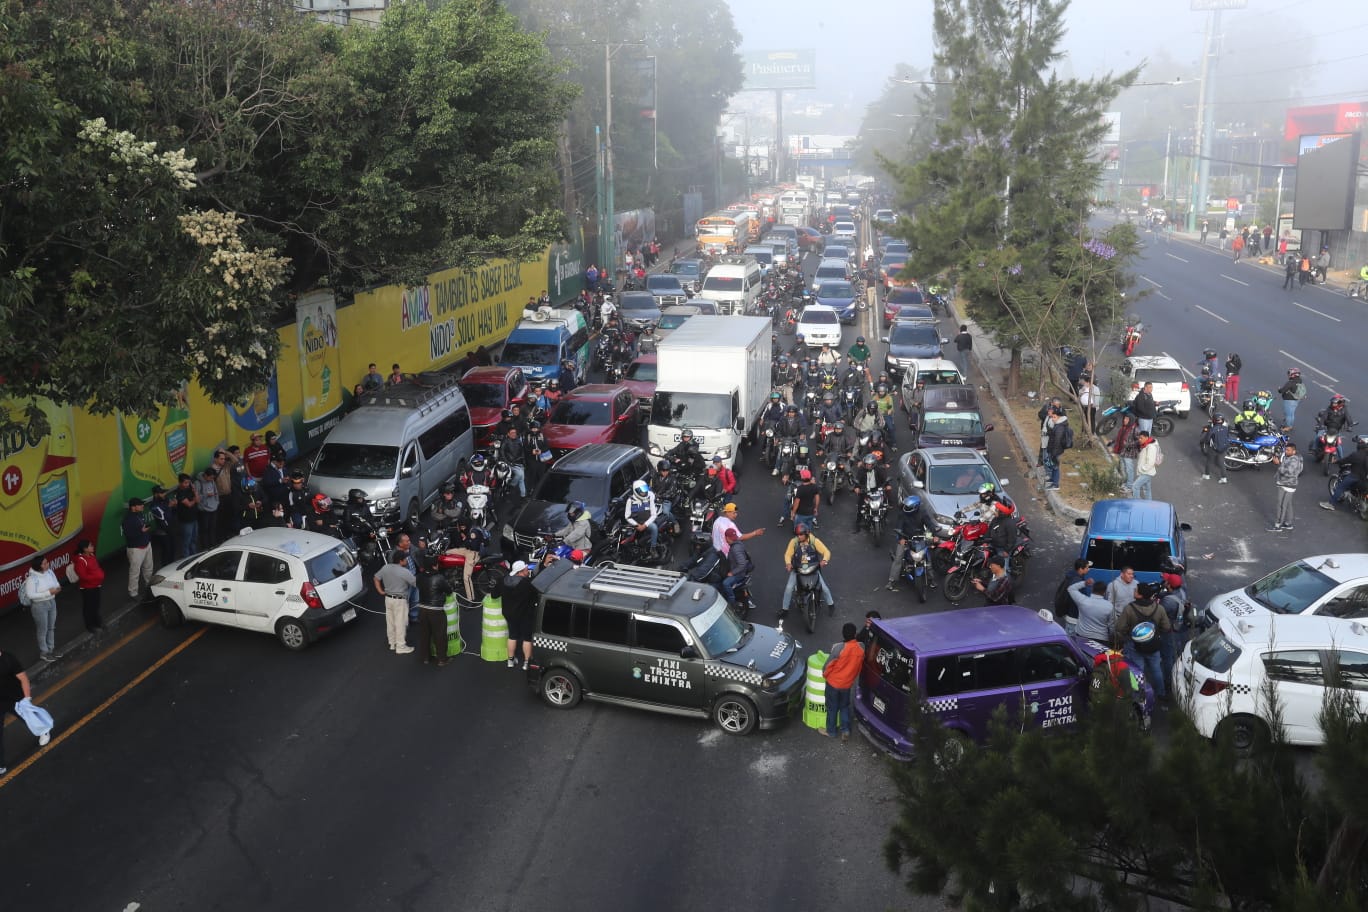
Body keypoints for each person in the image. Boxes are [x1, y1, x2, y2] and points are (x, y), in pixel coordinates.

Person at [1114, 583, 1171, 702]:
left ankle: (1139, 695)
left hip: (1134, 646)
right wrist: (1155, 633)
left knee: (1138, 671)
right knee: (1156, 669)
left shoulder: (1129, 609)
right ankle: (1161, 693)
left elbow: (1119, 628)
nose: (1134, 591)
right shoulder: (1159, 608)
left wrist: (1126, 636)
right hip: (1153, 645)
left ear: (1139, 595)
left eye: (1136, 590)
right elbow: (1166, 627)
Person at [1, 646, 48, 774]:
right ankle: (1, 765)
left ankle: (43, 731)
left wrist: (27, 699)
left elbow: (23, 678)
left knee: (27, 718)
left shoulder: (8, 659)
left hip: (15, 699)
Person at [780, 523, 835, 618]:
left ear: (806, 534)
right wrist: (788, 564)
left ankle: (831, 605)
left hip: (812, 569)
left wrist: (824, 560)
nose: (799, 536)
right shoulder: (794, 542)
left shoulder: (814, 541)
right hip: (798, 569)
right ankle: (784, 609)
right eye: (797, 534)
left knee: (824, 588)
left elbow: (826, 552)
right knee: (789, 588)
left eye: (801, 534)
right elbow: (788, 554)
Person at [821, 623, 863, 742]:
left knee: (832, 707)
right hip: (847, 684)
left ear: (843, 634)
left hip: (833, 684)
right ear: (855, 634)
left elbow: (827, 666)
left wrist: (825, 675)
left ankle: (831, 731)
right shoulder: (861, 649)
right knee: (844, 706)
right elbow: (858, 667)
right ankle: (846, 730)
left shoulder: (838, 648)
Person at [887, 495, 938, 590]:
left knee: (927, 557)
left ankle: (931, 579)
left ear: (915, 507)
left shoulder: (922, 513)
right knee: (898, 558)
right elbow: (899, 526)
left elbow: (930, 524)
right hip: (906, 537)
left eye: (908, 507)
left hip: (920, 537)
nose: (906, 508)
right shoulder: (902, 514)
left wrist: (934, 535)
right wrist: (901, 538)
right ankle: (892, 580)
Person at [415, 551, 455, 666]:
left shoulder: (419, 577)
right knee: (440, 635)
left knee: (424, 635)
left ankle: (425, 658)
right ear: (434, 566)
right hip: (436, 611)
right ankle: (442, 659)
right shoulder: (439, 578)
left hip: (422, 609)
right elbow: (449, 591)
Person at [373, 551, 416, 655]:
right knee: (400, 623)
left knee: (390, 622)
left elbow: (376, 578)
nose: (407, 561)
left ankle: (392, 643)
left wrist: (380, 591)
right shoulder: (404, 571)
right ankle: (401, 646)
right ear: (401, 561)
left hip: (388, 599)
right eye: (405, 559)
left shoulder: (385, 568)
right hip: (400, 600)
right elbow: (416, 583)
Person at [24, 557, 62, 662]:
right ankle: (44, 652)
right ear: (38, 566)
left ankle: (51, 649)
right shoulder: (31, 579)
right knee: (43, 629)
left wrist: (57, 588)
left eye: (47, 562)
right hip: (39, 606)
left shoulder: (50, 572)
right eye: (44, 563)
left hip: (52, 602)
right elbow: (31, 595)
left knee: (51, 627)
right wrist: (48, 593)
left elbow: (56, 583)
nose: (47, 564)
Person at [500, 561, 537, 669]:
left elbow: (494, 594)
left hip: (509, 614)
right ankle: (526, 663)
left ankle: (510, 660)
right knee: (527, 638)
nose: (528, 570)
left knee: (512, 636)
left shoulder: (503, 580)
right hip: (525, 615)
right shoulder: (527, 583)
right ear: (520, 571)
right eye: (526, 569)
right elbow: (535, 597)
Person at [1321, 434, 1368, 512]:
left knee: (1340, 487)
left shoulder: (1356, 455)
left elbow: (1344, 460)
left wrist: (1336, 461)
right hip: (1364, 479)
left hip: (1355, 477)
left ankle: (1330, 504)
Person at [122, 496, 155, 606]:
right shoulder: (128, 520)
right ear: (133, 507)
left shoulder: (139, 514)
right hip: (135, 549)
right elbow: (128, 535)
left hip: (146, 545)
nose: (142, 506)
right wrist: (141, 531)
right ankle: (133, 593)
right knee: (135, 571)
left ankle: (149, 586)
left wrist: (146, 536)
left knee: (148, 568)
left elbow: (142, 528)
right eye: (140, 505)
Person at [72, 539, 105, 633]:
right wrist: (97, 577)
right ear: (85, 549)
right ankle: (90, 626)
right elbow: (83, 576)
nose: (92, 546)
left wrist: (100, 575)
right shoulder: (80, 561)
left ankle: (97, 622)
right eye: (90, 546)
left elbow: (96, 567)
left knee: (96, 605)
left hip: (96, 585)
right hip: (88, 588)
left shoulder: (92, 555)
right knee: (89, 607)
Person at [1071, 579, 1116, 646]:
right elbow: (1112, 626)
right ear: (1104, 592)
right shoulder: (1110, 606)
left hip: (1081, 636)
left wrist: (1085, 583)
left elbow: (1071, 589)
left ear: (1092, 590)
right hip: (1101, 639)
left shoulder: (1082, 600)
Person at [1269, 442, 1302, 532]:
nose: (1286, 451)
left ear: (1294, 451)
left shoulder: (1294, 460)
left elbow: (1289, 472)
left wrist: (1278, 464)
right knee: (1288, 504)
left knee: (1281, 505)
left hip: (1287, 485)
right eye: (1285, 449)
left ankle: (1278, 525)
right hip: (1289, 484)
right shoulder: (1292, 458)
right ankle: (1288, 523)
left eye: (1288, 450)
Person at [1052, 558, 1093, 629]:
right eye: (1087, 568)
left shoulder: (1071, 576)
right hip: (1074, 617)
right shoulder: (1077, 582)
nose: (1088, 569)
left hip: (1070, 614)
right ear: (1080, 569)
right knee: (1072, 634)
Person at [720, 528, 754, 605]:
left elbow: (742, 564)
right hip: (737, 568)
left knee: (725, 583)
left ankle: (731, 601)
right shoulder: (737, 542)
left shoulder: (735, 549)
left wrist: (732, 573)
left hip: (739, 573)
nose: (732, 539)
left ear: (726, 538)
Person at [1111, 413, 1141, 493]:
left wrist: (1129, 444)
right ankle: (1125, 483)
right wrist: (1113, 441)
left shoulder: (1135, 429)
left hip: (1129, 453)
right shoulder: (1124, 427)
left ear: (1131, 420)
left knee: (1129, 469)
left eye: (1127, 419)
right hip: (1122, 451)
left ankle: (1129, 486)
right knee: (1122, 468)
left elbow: (1139, 441)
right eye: (1124, 418)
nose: (1125, 420)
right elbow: (1119, 437)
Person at [171, 473, 200, 557]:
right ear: (180, 483)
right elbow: (189, 504)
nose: (187, 484)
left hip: (194, 518)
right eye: (185, 483)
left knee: (194, 539)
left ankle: (194, 556)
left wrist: (194, 491)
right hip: (186, 521)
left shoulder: (190, 489)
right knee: (186, 541)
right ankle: (186, 558)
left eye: (188, 482)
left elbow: (198, 500)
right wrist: (194, 500)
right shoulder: (179, 492)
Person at [1044, 406, 1070, 490]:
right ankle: (1052, 479)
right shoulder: (1057, 425)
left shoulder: (1060, 427)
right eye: (1052, 417)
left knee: (1055, 467)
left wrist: (1053, 453)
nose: (1052, 419)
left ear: (1059, 417)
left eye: (1054, 417)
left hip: (1056, 451)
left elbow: (1057, 441)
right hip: (1053, 450)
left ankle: (1055, 484)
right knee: (1053, 465)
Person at [1200, 412, 1231, 483]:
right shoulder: (1225, 428)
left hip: (1214, 449)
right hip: (1223, 448)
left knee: (1209, 461)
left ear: (1214, 420)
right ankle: (1224, 478)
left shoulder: (1212, 429)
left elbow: (1207, 439)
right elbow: (1227, 437)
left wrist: (1207, 443)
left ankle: (1207, 475)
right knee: (1221, 463)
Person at [1132, 432, 1159, 500]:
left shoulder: (1150, 447)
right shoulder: (1146, 444)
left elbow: (1150, 462)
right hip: (1147, 471)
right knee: (1147, 489)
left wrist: (1143, 469)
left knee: (1135, 486)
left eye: (1141, 438)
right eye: (1139, 438)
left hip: (1146, 472)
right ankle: (1149, 503)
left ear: (1146, 438)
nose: (1139, 440)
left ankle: (1137, 503)